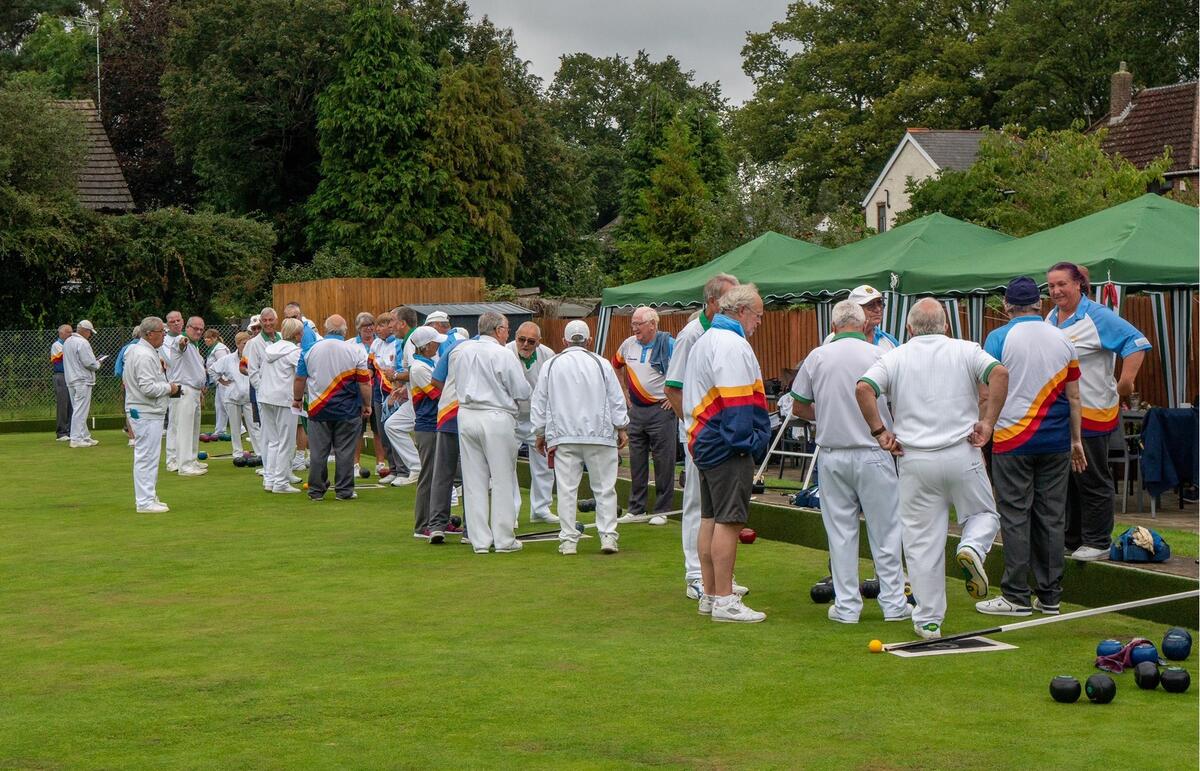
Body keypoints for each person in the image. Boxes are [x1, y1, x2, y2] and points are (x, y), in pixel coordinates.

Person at [855, 298, 1009, 640]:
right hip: (962, 452)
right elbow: (999, 373)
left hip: (914, 460)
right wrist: (988, 423)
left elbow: (864, 387)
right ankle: (971, 545)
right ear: (947, 326)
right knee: (984, 514)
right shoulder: (966, 349)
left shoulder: (894, 355)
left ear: (909, 329)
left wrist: (880, 432)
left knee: (921, 542)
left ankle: (927, 621)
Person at [791, 300, 910, 624]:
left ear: (833, 327)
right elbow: (900, 403)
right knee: (885, 531)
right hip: (874, 453)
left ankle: (846, 608)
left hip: (832, 455)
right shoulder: (880, 355)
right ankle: (894, 604)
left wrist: (828, 414)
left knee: (840, 534)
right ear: (863, 326)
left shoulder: (818, 355)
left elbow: (798, 406)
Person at [977, 277, 1087, 616]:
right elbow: (1075, 396)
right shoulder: (1064, 339)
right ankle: (1050, 597)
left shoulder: (998, 337)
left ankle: (1016, 596)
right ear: (1039, 304)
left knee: (1015, 516)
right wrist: (1077, 440)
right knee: (1051, 517)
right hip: (1055, 442)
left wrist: (985, 428)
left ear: (1007, 306)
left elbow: (986, 392)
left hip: (1012, 440)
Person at [1046, 262, 1152, 561]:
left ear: (1079, 284)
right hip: (1064, 414)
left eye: (1062, 284)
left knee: (1092, 476)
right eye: (1051, 286)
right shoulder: (1052, 317)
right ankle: (1073, 537)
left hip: (1094, 411)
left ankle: (1098, 540)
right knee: (1068, 479)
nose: (1056, 291)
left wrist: (1126, 381)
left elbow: (1136, 342)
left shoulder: (1098, 316)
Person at [683, 285, 772, 623]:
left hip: (704, 439)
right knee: (729, 521)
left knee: (710, 518)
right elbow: (737, 403)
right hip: (724, 443)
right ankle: (724, 600)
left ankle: (710, 594)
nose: (759, 323)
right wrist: (749, 442)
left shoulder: (706, 339)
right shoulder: (732, 344)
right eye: (758, 316)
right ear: (742, 312)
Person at [665, 273, 741, 600]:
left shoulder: (728, 332)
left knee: (717, 509)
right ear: (712, 302)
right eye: (729, 299)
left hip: (721, 435)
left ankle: (718, 577)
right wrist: (696, 427)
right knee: (698, 505)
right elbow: (673, 388)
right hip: (700, 435)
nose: (735, 306)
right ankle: (695, 575)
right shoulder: (691, 335)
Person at [532, 320, 629, 555]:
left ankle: (568, 541)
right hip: (600, 435)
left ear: (564, 341)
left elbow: (540, 400)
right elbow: (616, 398)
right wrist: (622, 426)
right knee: (605, 488)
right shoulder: (601, 363)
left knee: (566, 489)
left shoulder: (552, 364)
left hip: (564, 436)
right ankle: (608, 537)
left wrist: (539, 432)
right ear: (590, 340)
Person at [450, 312, 531, 553]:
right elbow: (521, 390)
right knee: (503, 477)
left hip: (466, 415)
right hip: (495, 416)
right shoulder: (503, 353)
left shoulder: (463, 351)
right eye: (506, 328)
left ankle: (480, 541)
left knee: (474, 481)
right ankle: (504, 539)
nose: (507, 333)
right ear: (497, 330)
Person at [294, 315, 371, 501]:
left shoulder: (309, 350)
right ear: (345, 330)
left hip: (318, 408)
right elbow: (364, 383)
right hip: (348, 409)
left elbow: (299, 379)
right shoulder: (355, 351)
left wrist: (296, 399)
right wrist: (367, 404)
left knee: (318, 451)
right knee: (345, 451)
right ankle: (344, 491)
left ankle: (316, 491)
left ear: (325, 328)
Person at [613, 305, 677, 524]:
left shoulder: (669, 343)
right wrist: (623, 391)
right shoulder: (627, 344)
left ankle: (662, 510)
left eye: (638, 324)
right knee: (637, 460)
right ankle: (636, 508)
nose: (634, 328)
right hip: (637, 411)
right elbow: (616, 365)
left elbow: (687, 368)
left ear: (653, 324)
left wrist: (675, 397)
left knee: (663, 461)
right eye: (633, 324)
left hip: (661, 409)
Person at [123, 317, 181, 513]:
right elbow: (148, 387)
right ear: (149, 334)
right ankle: (145, 501)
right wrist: (170, 387)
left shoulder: (137, 351)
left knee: (149, 456)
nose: (164, 335)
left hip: (145, 410)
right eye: (161, 332)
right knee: (146, 456)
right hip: (146, 410)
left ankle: (149, 495)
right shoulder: (144, 355)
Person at [507, 321, 559, 526]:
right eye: (522, 339)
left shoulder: (548, 355)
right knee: (507, 465)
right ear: (515, 337)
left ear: (538, 343)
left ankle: (541, 508)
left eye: (531, 341)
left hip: (536, 418)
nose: (525, 344)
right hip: (511, 417)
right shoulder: (505, 352)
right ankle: (510, 511)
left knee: (544, 464)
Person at [407, 326, 447, 538]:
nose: (438, 345)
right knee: (429, 475)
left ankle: (438, 520)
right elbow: (439, 394)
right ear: (426, 346)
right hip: (427, 425)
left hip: (434, 424)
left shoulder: (428, 363)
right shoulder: (419, 368)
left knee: (438, 475)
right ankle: (422, 524)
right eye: (435, 342)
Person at [165, 316, 209, 476]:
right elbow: (180, 342)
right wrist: (183, 340)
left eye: (201, 329)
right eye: (195, 328)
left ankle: (191, 460)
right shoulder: (181, 340)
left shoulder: (195, 346)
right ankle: (184, 465)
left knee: (193, 427)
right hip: (184, 390)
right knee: (183, 427)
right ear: (187, 327)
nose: (198, 331)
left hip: (194, 390)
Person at [209, 331, 259, 459]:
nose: (246, 346)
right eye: (243, 343)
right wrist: (221, 381)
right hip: (232, 398)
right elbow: (212, 369)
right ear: (237, 344)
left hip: (249, 398)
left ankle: (259, 452)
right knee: (235, 428)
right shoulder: (228, 359)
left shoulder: (253, 358)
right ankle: (237, 453)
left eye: (248, 343)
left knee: (253, 427)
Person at [244, 308, 281, 479]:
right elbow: (252, 372)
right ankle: (268, 471)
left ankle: (283, 470)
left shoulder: (282, 337)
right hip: (265, 397)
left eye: (270, 320)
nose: (267, 323)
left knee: (283, 436)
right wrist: (263, 391)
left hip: (283, 396)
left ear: (276, 319)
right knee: (268, 436)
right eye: (264, 321)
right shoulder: (254, 343)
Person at [283, 302, 321, 472]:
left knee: (308, 423)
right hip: (304, 387)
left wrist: (300, 391)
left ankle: (310, 457)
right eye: (288, 317)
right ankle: (303, 457)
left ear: (300, 315)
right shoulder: (297, 332)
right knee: (304, 423)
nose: (291, 320)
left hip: (310, 387)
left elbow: (305, 364)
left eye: (294, 316)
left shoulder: (306, 332)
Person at [351, 312, 385, 478]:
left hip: (378, 391)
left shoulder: (380, 343)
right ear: (358, 328)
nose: (369, 328)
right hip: (359, 393)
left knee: (378, 429)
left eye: (371, 325)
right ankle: (355, 464)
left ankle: (381, 463)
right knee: (358, 430)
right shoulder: (351, 344)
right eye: (365, 326)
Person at [821, 285, 899, 350]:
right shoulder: (832, 339)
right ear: (855, 309)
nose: (878, 309)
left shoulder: (889, 340)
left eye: (880, 303)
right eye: (871, 305)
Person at [63, 319, 102, 448]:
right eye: (90, 332)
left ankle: (85, 436)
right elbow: (89, 363)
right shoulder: (83, 342)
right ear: (85, 331)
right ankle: (76, 439)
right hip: (82, 379)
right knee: (80, 409)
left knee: (78, 409)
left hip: (71, 379)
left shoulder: (67, 341)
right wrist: (98, 363)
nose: (90, 335)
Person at [115, 326, 142, 446]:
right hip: (141, 383)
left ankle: (132, 437)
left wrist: (123, 379)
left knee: (131, 408)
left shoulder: (125, 348)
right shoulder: (145, 347)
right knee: (139, 408)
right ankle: (136, 436)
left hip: (128, 383)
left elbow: (117, 370)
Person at [203, 328, 231, 437]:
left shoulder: (219, 349)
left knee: (227, 404)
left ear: (215, 338)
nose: (206, 340)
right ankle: (220, 431)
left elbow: (223, 365)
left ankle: (240, 428)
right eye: (205, 338)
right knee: (219, 405)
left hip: (224, 380)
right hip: (219, 381)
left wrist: (222, 380)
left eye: (208, 338)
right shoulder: (213, 349)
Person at [51, 323, 73, 441]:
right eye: (68, 332)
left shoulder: (69, 344)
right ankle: (61, 432)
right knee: (63, 404)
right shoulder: (57, 345)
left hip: (70, 376)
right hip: (61, 376)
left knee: (71, 404)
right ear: (61, 333)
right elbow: (66, 357)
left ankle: (69, 430)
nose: (71, 334)